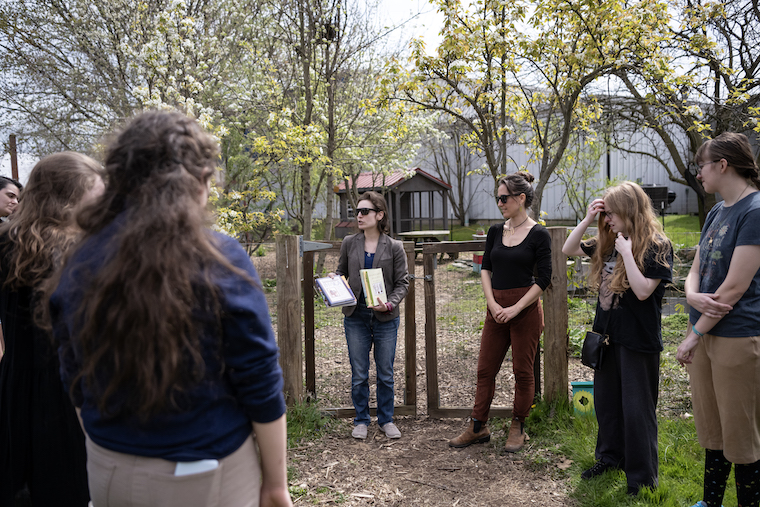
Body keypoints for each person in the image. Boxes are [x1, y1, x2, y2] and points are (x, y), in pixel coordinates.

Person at [46, 111, 292, 507]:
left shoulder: (79, 259)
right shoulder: (220, 256)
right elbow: (260, 377)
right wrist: (276, 485)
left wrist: (107, 444)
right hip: (207, 475)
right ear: (196, 181)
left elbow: (74, 374)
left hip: (106, 468)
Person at [0, 152, 103, 506]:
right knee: (69, 483)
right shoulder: (81, 249)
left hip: (14, 380)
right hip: (69, 386)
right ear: (70, 193)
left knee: (19, 482)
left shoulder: (5, 241)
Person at [563, 181, 673, 496]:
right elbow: (568, 249)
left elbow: (641, 291)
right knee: (608, 405)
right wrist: (587, 219)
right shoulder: (610, 241)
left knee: (637, 411)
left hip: (638, 340)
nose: (607, 219)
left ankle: (641, 478)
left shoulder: (657, 245)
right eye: (605, 213)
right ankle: (610, 458)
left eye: (611, 213)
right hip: (607, 337)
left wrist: (627, 253)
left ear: (628, 210)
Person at [675, 132, 760, 507]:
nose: (699, 174)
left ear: (722, 165)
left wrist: (693, 335)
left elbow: (734, 288)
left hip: (737, 337)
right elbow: (696, 268)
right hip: (706, 333)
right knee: (712, 428)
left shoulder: (755, 211)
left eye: (701, 166)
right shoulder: (716, 210)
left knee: (741, 435)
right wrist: (691, 294)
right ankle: (710, 503)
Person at [449, 172, 551, 453]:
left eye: (503, 198)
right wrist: (493, 304)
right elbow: (486, 269)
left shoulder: (538, 234)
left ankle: (519, 425)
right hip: (495, 311)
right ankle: (478, 426)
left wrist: (517, 307)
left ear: (521, 199)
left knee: (523, 371)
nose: (499, 202)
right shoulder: (495, 231)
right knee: (485, 370)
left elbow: (544, 278)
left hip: (525, 311)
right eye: (497, 198)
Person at [334, 191, 409, 440]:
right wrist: (335, 283)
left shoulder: (395, 247)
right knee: (359, 373)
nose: (359, 216)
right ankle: (361, 420)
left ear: (379, 215)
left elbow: (403, 284)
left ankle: (386, 419)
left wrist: (389, 304)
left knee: (385, 372)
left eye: (364, 211)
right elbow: (341, 273)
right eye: (357, 211)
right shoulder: (349, 243)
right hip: (356, 316)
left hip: (386, 318)